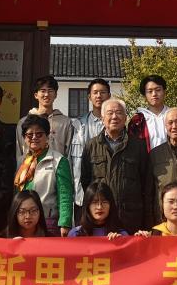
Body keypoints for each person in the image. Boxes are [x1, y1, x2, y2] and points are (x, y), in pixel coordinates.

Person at [80, 98, 154, 234]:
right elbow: (86, 181)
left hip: (130, 218)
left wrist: (147, 222)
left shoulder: (138, 146)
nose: (114, 116)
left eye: (119, 112)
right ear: (102, 118)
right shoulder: (91, 146)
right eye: (110, 113)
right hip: (101, 221)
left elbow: (146, 185)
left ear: (125, 117)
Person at [14, 114, 73, 236]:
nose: (34, 137)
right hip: (24, 222)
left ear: (47, 136)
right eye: (29, 135)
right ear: (24, 138)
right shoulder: (21, 161)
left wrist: (65, 223)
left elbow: (65, 194)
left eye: (39, 134)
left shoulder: (59, 160)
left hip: (48, 222)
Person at [68, 78, 110, 219]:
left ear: (109, 96)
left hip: (107, 195)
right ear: (89, 97)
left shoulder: (116, 125)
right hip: (82, 194)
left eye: (103, 92)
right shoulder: (77, 125)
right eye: (95, 92)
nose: (99, 96)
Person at [16, 76, 74, 161]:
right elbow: (19, 152)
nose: (46, 95)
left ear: (55, 95)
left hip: (57, 167)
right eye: (43, 91)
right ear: (36, 95)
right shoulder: (24, 122)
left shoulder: (65, 122)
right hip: (30, 167)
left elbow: (68, 154)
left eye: (50, 91)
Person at [128, 75, 170, 150]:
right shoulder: (138, 120)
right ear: (144, 96)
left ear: (164, 92)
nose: (154, 94)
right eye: (150, 91)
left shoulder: (173, 115)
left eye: (158, 90)